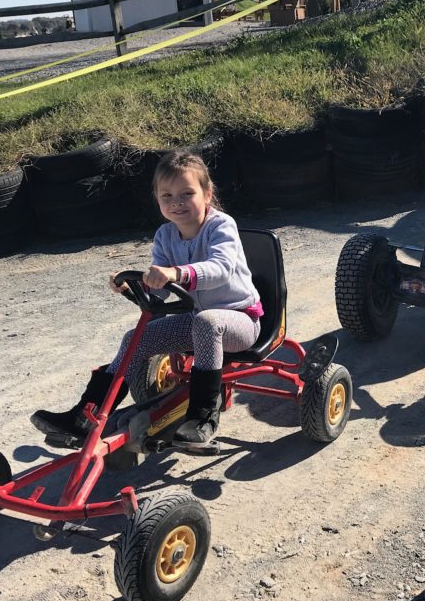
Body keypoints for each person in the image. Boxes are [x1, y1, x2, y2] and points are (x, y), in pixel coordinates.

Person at [31, 150, 261, 451]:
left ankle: (202, 419)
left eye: (187, 193)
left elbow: (221, 269)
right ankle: (84, 417)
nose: (177, 202)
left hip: (240, 321)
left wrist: (176, 273)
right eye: (167, 196)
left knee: (208, 322)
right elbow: (160, 294)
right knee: (134, 339)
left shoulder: (220, 226)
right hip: (197, 320)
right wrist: (133, 287)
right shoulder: (165, 236)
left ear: (207, 194)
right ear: (157, 200)